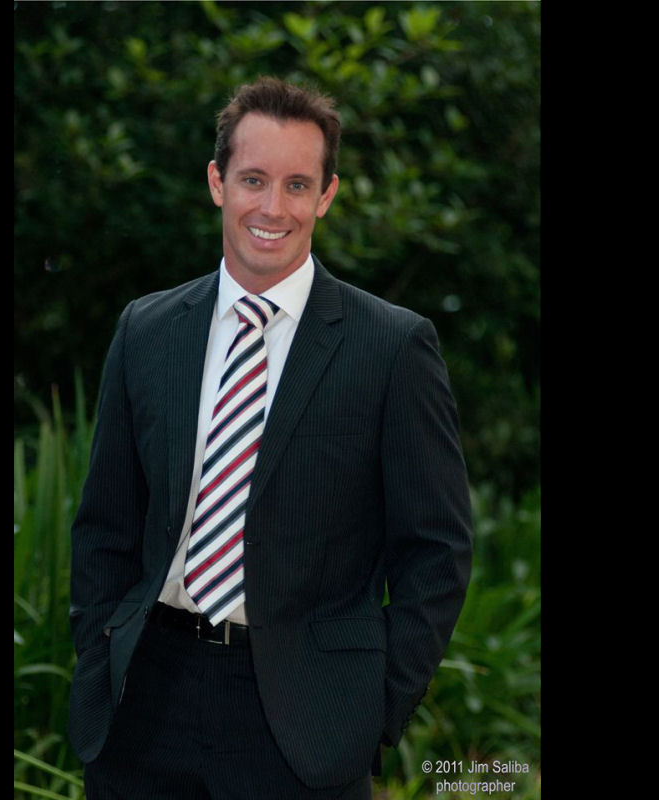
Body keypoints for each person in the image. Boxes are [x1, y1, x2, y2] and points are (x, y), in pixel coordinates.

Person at [68, 76, 473, 800]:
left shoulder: (392, 348)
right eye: (253, 179)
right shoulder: (147, 330)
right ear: (217, 182)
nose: (273, 208)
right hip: (142, 706)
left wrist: (371, 709)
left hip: (307, 726)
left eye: (297, 185)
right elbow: (105, 524)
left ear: (327, 196)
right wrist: (99, 653)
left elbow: (437, 551)